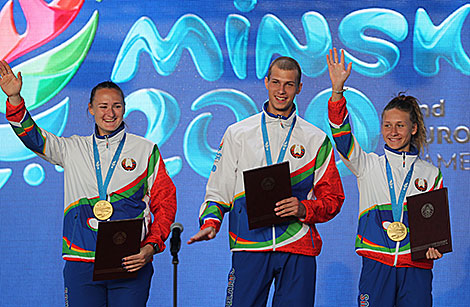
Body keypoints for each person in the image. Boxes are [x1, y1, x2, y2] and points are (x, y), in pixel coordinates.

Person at [0, 60, 177, 306]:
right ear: (91, 109)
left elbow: (166, 203)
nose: (110, 113)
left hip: (129, 260)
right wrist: (16, 99)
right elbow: (32, 138)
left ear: (125, 108)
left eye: (117, 106)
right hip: (81, 261)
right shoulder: (71, 148)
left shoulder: (145, 150)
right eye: (103, 106)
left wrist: (151, 247)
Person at [188, 56, 344, 306]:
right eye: (276, 82)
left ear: (299, 88)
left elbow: (333, 199)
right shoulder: (237, 133)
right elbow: (219, 189)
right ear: (266, 83)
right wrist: (211, 222)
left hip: (297, 246)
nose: (281, 91)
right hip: (249, 245)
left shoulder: (316, 139)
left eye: (289, 84)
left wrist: (304, 208)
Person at [326, 48, 443, 306]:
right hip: (377, 263)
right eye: (387, 125)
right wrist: (337, 92)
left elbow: (433, 224)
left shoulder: (430, 173)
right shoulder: (368, 164)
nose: (393, 131)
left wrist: (434, 246)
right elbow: (342, 137)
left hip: (416, 267)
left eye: (400, 125)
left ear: (413, 128)